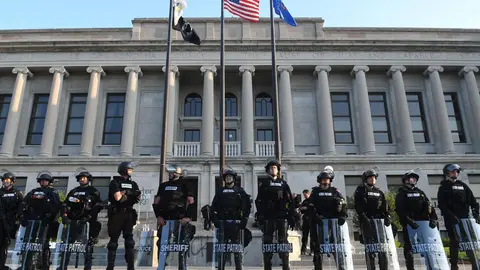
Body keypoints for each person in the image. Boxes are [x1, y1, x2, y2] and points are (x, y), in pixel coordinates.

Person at [437, 163, 480, 270]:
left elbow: (473, 202)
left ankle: (475, 263)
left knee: (469, 241)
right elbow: (442, 205)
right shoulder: (443, 188)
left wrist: (476, 213)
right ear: (447, 173)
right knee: (455, 241)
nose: (455, 173)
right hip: (452, 220)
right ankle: (454, 265)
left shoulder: (463, 185)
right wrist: (451, 216)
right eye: (452, 171)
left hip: (465, 219)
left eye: (456, 171)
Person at [153, 164, 195, 270]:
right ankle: (161, 266)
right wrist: (158, 216)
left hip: (179, 220)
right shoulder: (163, 185)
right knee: (161, 244)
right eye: (169, 172)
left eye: (171, 172)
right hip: (165, 220)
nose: (169, 174)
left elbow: (191, 201)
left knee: (182, 244)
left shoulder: (185, 184)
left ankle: (182, 267)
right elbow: (156, 202)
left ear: (177, 173)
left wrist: (188, 217)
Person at [255, 159, 295, 270]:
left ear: (278, 170)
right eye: (271, 168)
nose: (273, 169)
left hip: (282, 216)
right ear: (268, 170)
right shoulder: (264, 183)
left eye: (275, 167)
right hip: (269, 217)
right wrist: (260, 215)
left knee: (283, 242)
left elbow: (290, 200)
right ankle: (268, 267)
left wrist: (292, 215)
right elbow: (259, 201)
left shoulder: (283, 183)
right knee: (267, 242)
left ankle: (285, 266)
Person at [395, 170, 438, 270]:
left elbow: (429, 205)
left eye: (415, 178)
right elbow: (400, 210)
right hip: (409, 224)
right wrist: (409, 221)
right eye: (411, 177)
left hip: (423, 224)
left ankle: (431, 266)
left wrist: (433, 218)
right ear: (405, 180)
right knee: (409, 247)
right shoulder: (402, 193)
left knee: (427, 246)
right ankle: (410, 267)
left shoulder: (420, 192)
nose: (413, 179)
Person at [61, 168, 103, 270]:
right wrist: (65, 215)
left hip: (87, 220)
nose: (82, 180)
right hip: (73, 220)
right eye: (80, 178)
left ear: (88, 179)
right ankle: (63, 265)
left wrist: (89, 217)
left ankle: (87, 266)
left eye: (84, 178)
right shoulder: (74, 191)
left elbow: (98, 205)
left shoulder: (93, 191)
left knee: (87, 244)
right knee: (67, 243)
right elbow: (65, 204)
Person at [211, 168, 252, 270]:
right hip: (223, 224)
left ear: (234, 179)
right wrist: (215, 220)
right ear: (224, 179)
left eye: (230, 177)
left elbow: (247, 206)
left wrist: (245, 220)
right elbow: (213, 207)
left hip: (236, 225)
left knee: (238, 251)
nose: (228, 178)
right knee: (222, 251)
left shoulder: (240, 191)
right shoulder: (220, 191)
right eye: (227, 177)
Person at [20, 171, 62, 269]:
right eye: (42, 181)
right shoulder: (34, 191)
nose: (43, 182)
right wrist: (22, 216)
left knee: (43, 243)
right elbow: (24, 203)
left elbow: (56, 206)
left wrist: (50, 217)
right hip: (32, 221)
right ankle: (26, 263)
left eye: (46, 181)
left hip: (45, 222)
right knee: (28, 242)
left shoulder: (53, 192)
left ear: (49, 182)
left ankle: (44, 264)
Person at [308, 168, 347, 270]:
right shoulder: (315, 192)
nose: (325, 181)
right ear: (320, 180)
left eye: (327, 179)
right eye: (323, 179)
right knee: (318, 248)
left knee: (336, 247)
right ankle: (318, 267)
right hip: (319, 223)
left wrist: (343, 215)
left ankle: (340, 267)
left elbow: (343, 204)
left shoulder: (335, 191)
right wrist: (316, 216)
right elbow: (310, 206)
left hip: (333, 224)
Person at [106, 161, 141, 270]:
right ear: (124, 170)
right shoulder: (114, 182)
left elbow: (138, 197)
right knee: (113, 241)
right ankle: (110, 266)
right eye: (130, 169)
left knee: (129, 241)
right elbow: (118, 198)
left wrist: (125, 193)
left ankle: (130, 266)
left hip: (129, 213)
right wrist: (129, 193)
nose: (131, 171)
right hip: (117, 213)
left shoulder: (133, 183)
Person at [354, 168, 390, 270]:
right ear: (366, 179)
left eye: (374, 177)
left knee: (382, 249)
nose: (372, 179)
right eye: (370, 177)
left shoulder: (379, 191)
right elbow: (358, 206)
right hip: (367, 222)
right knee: (370, 249)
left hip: (379, 223)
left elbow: (384, 205)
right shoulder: (361, 190)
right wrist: (364, 219)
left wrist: (387, 216)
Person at [0, 170, 24, 267]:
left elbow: (22, 205)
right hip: (1, 221)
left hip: (13, 221)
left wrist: (19, 217)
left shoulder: (17, 193)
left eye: (7, 180)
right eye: (4, 180)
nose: (5, 181)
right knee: (2, 244)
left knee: (10, 243)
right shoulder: (0, 192)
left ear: (12, 181)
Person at [299, 189, 311, 255]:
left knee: (313, 236)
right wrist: (301, 208)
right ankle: (303, 250)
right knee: (305, 236)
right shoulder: (304, 201)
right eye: (303, 195)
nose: (304, 196)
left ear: (308, 193)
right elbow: (302, 211)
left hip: (311, 220)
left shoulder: (312, 200)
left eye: (305, 195)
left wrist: (306, 208)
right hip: (305, 219)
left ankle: (312, 250)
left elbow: (312, 208)